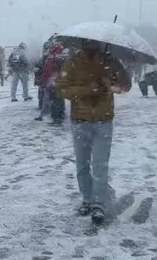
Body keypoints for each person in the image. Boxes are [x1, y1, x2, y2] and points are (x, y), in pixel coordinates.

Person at [56, 39, 131, 224]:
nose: (91, 45)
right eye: (87, 42)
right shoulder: (73, 62)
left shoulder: (110, 61)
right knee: (82, 164)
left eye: (94, 42)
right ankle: (87, 199)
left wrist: (111, 82)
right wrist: (87, 90)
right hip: (80, 120)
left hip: (103, 120)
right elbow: (62, 89)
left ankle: (98, 203)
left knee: (100, 165)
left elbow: (125, 86)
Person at [35, 43, 66, 124]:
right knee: (51, 99)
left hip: (54, 81)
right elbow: (46, 70)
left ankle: (56, 116)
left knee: (53, 99)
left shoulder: (58, 59)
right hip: (51, 81)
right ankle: (54, 115)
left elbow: (58, 70)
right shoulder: (49, 58)